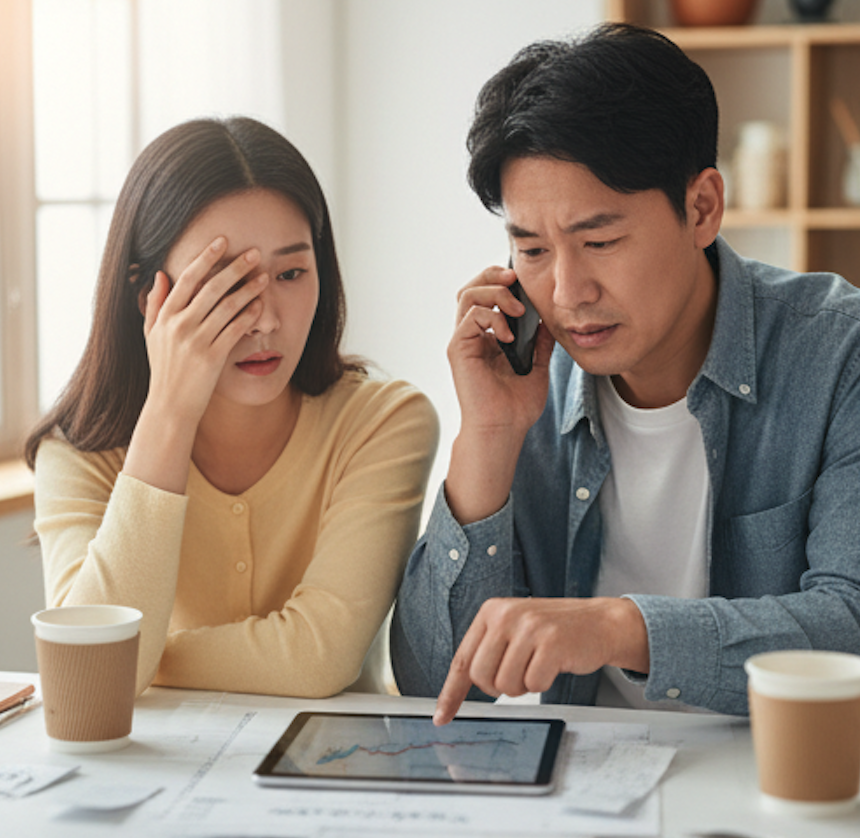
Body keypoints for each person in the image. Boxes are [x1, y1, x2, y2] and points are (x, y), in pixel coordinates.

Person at [390, 22, 860, 724]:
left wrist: (620, 627)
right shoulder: (527, 381)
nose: (567, 292)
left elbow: (849, 626)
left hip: (771, 772)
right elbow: (432, 682)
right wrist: (487, 436)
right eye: (532, 250)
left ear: (702, 208)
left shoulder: (838, 353)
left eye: (601, 241)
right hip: (591, 778)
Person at [26, 116, 438, 698]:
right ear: (147, 295)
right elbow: (89, 674)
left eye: (291, 273)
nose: (264, 320)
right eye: (225, 284)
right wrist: (169, 412)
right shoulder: (77, 452)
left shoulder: (384, 423)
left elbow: (319, 659)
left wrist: (141, 658)